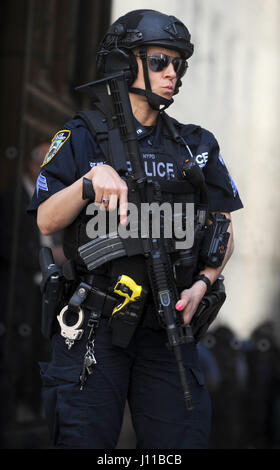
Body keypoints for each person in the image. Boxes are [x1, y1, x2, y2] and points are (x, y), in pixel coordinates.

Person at [27, 10, 243, 449]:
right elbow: (46, 218)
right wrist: (88, 184)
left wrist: (204, 283)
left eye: (178, 64)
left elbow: (222, 228)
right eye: (161, 61)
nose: (172, 74)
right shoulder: (83, 135)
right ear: (125, 63)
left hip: (170, 328)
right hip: (96, 328)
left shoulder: (195, 145)